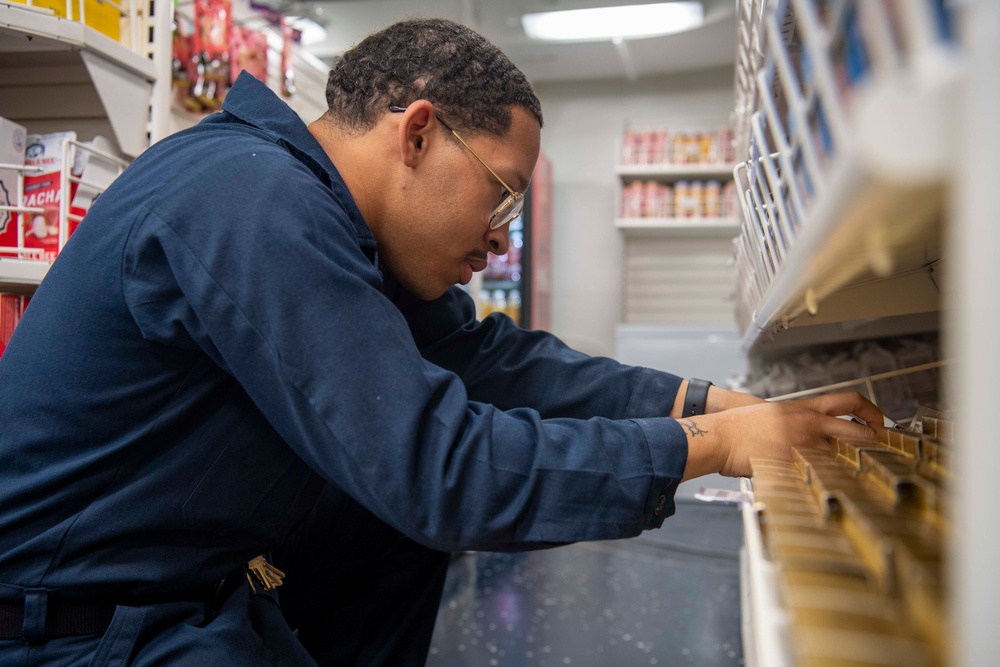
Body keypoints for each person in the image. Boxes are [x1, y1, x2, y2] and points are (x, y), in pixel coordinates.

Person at [0, 17, 884, 667]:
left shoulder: (335, 223)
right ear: (417, 131)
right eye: (500, 197)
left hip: (191, 581)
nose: (502, 238)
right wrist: (718, 448)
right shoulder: (253, 201)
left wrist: (710, 403)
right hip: (77, 622)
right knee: (413, 494)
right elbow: (438, 467)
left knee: (394, 523)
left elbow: (494, 362)